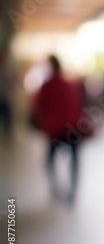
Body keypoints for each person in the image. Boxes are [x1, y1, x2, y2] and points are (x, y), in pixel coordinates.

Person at [32, 55, 83, 205]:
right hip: (72, 126)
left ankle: (55, 188)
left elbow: (39, 107)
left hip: (54, 128)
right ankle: (73, 190)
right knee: (75, 158)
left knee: (50, 158)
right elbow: (79, 104)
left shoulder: (47, 85)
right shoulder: (70, 84)